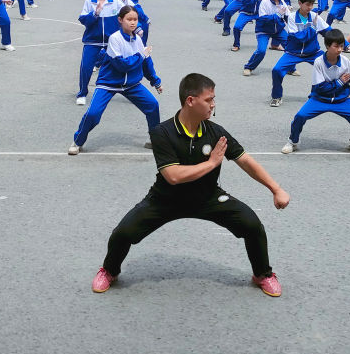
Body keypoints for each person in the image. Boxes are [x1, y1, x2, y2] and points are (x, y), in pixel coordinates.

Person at [90, 72, 288, 297]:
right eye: (209, 99)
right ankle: (109, 271)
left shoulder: (216, 132)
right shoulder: (162, 132)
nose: (213, 104)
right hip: (166, 199)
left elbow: (245, 161)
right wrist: (212, 163)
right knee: (123, 233)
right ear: (190, 101)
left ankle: (263, 274)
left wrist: (276, 189)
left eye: (213, 99)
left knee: (252, 225)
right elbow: (173, 176)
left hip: (208, 198)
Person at [69, 6, 162, 154]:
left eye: (135, 20)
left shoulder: (137, 40)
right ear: (120, 20)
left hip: (131, 84)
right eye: (129, 19)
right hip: (108, 83)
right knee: (93, 114)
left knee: (153, 105)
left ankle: (155, 139)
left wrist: (155, 80)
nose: (133, 23)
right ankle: (78, 141)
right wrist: (141, 55)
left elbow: (146, 63)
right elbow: (121, 65)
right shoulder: (115, 39)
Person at [282, 28, 350, 154]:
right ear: (327, 46)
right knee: (300, 116)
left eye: (342, 46)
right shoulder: (318, 62)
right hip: (320, 99)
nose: (340, 50)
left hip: (341, 100)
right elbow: (320, 88)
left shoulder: (346, 61)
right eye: (336, 46)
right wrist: (340, 82)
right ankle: (293, 142)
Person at [269, 0, 334, 107]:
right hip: (293, 53)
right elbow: (299, 38)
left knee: (330, 67)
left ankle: (324, 94)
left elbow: (329, 32)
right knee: (277, 70)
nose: (310, 7)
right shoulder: (292, 17)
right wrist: (313, 29)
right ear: (300, 3)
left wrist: (344, 43)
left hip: (313, 52)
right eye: (307, 4)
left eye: (312, 4)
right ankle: (276, 96)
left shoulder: (315, 17)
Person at [76, 0, 123, 105]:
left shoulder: (115, 1)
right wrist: (95, 13)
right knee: (86, 67)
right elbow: (84, 20)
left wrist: (138, 27)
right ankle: (82, 93)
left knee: (121, 64)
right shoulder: (89, 1)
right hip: (92, 41)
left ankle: (129, 89)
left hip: (111, 42)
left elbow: (128, 13)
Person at [243, 0, 288, 76]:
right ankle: (248, 67)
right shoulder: (264, 2)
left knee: (290, 47)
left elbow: (287, 17)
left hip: (278, 30)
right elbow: (263, 19)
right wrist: (277, 15)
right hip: (263, 30)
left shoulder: (283, 3)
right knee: (261, 50)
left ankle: (290, 68)